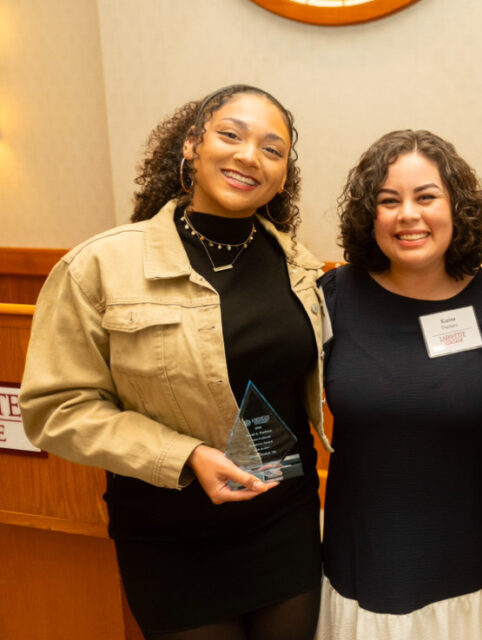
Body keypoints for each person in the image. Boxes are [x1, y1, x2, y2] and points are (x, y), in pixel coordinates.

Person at [19, 85, 329, 640]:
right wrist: (186, 456)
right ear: (191, 145)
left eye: (271, 148)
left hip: (284, 525)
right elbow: (55, 409)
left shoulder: (299, 267)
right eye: (230, 135)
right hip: (169, 537)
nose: (247, 156)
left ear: (283, 176)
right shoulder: (100, 266)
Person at [317, 129, 482, 639]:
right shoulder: (333, 296)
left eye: (426, 197)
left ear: (458, 207)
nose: (408, 214)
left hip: (467, 564)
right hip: (360, 563)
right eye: (389, 201)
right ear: (370, 215)